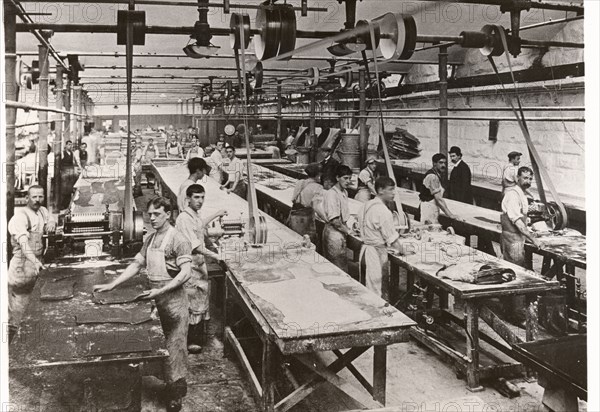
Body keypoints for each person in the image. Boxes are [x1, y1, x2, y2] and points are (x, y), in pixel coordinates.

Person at [94, 197, 192, 412]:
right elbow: (137, 264)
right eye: (150, 214)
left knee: (175, 349)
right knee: (156, 346)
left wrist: (161, 290)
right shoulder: (150, 238)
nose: (152, 218)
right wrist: (112, 285)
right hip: (155, 301)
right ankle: (157, 384)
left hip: (174, 304)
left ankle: (175, 396)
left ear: (168, 214)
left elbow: (186, 273)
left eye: (157, 214)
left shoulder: (179, 239)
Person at [175, 184, 226, 353]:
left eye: (202, 197)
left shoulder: (194, 215)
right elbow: (195, 245)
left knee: (201, 302)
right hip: (190, 266)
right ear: (188, 199)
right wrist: (216, 255)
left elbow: (200, 225)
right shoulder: (183, 218)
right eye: (196, 197)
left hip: (199, 266)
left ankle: (199, 337)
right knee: (192, 304)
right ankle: (190, 341)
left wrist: (217, 215)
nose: (200, 201)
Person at [7, 185, 56, 341]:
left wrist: (52, 223)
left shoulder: (42, 211)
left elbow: (50, 217)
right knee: (20, 307)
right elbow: (23, 244)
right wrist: (34, 261)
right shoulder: (19, 217)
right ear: (27, 198)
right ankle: (14, 345)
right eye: (34, 197)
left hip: (36, 263)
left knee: (35, 304)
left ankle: (32, 340)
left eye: (40, 197)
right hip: (22, 266)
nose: (37, 200)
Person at [500, 166, 543, 325]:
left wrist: (530, 227)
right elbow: (517, 221)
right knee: (516, 276)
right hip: (513, 240)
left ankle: (508, 309)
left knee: (513, 274)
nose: (528, 181)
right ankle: (517, 316)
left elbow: (523, 218)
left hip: (518, 238)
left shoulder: (521, 194)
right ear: (517, 178)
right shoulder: (512, 194)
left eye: (530, 178)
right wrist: (533, 239)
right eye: (525, 178)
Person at [358, 177, 404, 298]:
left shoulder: (366, 205)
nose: (394, 193)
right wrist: (404, 250)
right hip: (374, 254)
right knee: (376, 293)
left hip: (364, 251)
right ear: (380, 190)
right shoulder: (383, 211)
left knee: (366, 289)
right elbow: (392, 240)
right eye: (391, 189)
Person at [322, 165, 353, 272]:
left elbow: (342, 216)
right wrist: (349, 232)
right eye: (345, 178)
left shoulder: (344, 192)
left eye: (350, 178)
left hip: (341, 231)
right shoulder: (331, 194)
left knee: (342, 263)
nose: (348, 181)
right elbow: (335, 221)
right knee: (336, 266)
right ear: (337, 178)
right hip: (333, 234)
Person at [286, 163, 322, 244]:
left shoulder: (300, 182)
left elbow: (293, 199)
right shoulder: (318, 187)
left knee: (295, 241)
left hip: (294, 216)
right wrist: (325, 218)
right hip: (306, 220)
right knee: (307, 242)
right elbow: (317, 207)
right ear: (318, 174)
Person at [417, 153, 457, 224]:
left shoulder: (437, 175)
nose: (443, 165)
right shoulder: (432, 176)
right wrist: (450, 215)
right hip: (427, 210)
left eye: (445, 163)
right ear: (434, 163)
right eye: (441, 163)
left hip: (432, 208)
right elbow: (439, 199)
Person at [60, 140, 78, 209]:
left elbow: (73, 163)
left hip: (70, 172)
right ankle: (62, 205)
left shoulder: (72, 153)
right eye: (69, 144)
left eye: (71, 145)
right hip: (64, 172)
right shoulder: (62, 153)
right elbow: (59, 163)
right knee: (64, 188)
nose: (70, 146)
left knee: (70, 189)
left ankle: (67, 204)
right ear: (66, 145)